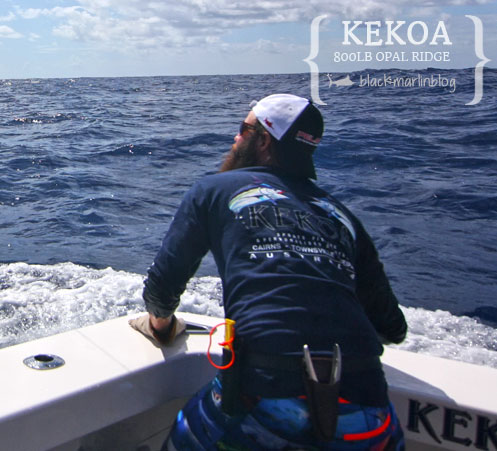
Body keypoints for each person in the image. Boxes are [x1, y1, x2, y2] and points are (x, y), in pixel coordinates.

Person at [132, 94, 408, 450]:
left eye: (242, 129)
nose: (235, 139)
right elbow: (393, 328)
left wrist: (162, 325)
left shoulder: (213, 190)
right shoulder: (342, 215)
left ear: (263, 140)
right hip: (369, 416)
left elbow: (161, 289)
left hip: (261, 399)